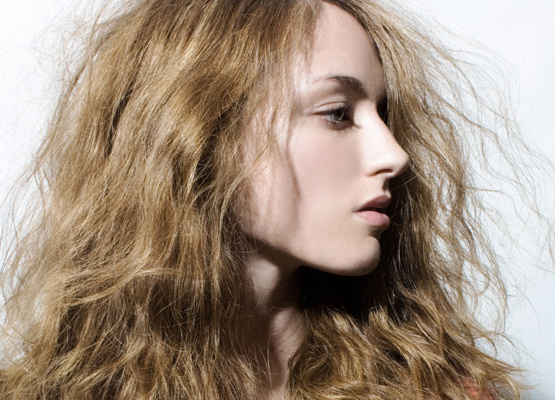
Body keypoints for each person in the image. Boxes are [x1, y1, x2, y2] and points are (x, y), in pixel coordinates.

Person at [0, 0, 538, 398]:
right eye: (338, 113)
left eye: (383, 113)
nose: (395, 155)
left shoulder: (439, 391)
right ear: (200, 132)